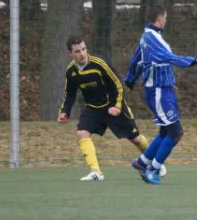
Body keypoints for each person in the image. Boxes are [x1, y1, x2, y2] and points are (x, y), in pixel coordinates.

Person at [57, 35, 163, 181]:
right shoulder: (71, 71)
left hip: (112, 105)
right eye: (77, 51)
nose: (82, 54)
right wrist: (64, 111)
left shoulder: (99, 64)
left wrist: (117, 106)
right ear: (70, 53)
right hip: (93, 108)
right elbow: (69, 94)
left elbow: (118, 85)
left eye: (83, 49)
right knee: (82, 133)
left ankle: (154, 162)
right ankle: (96, 172)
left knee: (136, 139)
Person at [125, 5, 197, 185]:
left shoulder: (148, 36)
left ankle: (142, 162)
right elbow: (169, 57)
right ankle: (152, 170)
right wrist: (193, 60)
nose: (166, 20)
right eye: (165, 17)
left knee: (166, 131)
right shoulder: (151, 38)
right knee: (176, 132)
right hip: (158, 91)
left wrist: (131, 78)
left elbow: (136, 59)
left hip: (163, 90)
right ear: (160, 18)